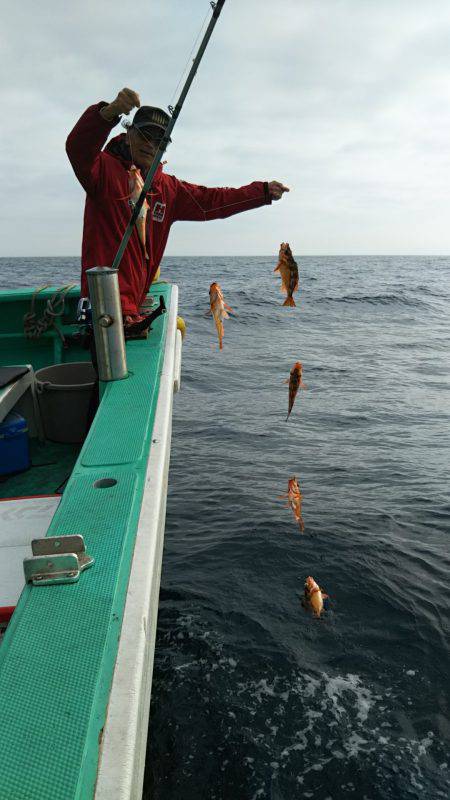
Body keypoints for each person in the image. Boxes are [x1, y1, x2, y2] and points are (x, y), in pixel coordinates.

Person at [66, 87, 289, 324]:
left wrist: (262, 192)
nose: (151, 145)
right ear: (129, 132)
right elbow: (78, 147)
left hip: (133, 310)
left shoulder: (168, 189)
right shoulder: (102, 169)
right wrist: (109, 112)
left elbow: (213, 201)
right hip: (102, 308)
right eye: (145, 135)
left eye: (160, 141)